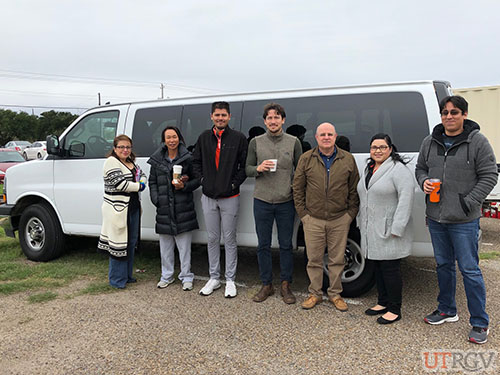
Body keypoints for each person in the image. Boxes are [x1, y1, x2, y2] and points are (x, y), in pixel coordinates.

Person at [416, 95, 498, 344]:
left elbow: (489, 175)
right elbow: (420, 168)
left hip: (464, 220)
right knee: (443, 265)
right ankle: (446, 310)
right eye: (445, 112)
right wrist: (424, 182)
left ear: (464, 115)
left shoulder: (477, 141)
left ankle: (480, 322)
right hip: (436, 217)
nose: (449, 117)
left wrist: (468, 202)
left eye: (454, 112)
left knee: (470, 270)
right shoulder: (430, 141)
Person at [293, 122, 359, 311]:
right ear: (316, 138)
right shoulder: (306, 158)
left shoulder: (347, 159)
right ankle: (315, 294)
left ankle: (335, 294)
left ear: (335, 136)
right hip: (313, 218)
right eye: (322, 134)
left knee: (337, 259)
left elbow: (354, 188)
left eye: (330, 134)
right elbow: (297, 188)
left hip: (339, 218)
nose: (326, 137)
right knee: (313, 259)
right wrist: (303, 215)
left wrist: (350, 214)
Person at [245, 103, 302, 304]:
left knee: (286, 245)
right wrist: (258, 168)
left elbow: (300, 170)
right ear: (264, 121)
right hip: (262, 200)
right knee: (263, 245)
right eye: (269, 118)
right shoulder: (255, 142)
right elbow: (247, 169)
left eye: (277, 117)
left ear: (283, 120)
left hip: (286, 200)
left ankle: (286, 285)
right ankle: (266, 284)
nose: (273, 121)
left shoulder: (294, 142)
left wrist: (294, 190)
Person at [192, 101, 248, 298]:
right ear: (211, 116)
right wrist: (202, 180)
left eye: (223, 115)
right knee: (213, 238)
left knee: (230, 239)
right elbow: (195, 161)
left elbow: (244, 166)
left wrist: (233, 184)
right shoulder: (203, 137)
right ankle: (214, 277)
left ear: (229, 117)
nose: (220, 118)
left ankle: (230, 279)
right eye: (217, 115)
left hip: (230, 196)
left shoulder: (238, 138)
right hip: (208, 196)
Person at [357, 133, 415, 324]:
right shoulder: (370, 168)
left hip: (389, 228)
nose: (378, 151)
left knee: (390, 269)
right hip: (371, 228)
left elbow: (406, 199)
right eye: (374, 147)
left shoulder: (398, 170)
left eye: (382, 147)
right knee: (377, 266)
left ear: (390, 149)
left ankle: (395, 309)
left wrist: (397, 227)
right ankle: (382, 302)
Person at [148, 126, 200, 291]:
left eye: (174, 137)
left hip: (183, 207)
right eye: (168, 137)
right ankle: (167, 276)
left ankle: (186, 276)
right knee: (165, 247)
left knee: (184, 247)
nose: (172, 140)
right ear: (164, 140)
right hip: (164, 208)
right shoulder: (157, 160)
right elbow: (152, 182)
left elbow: (197, 180)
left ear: (180, 138)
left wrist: (184, 186)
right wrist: (156, 199)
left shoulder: (188, 158)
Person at [98, 134, 146, 289]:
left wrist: (141, 182)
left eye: (128, 147)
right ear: (114, 148)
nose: (125, 150)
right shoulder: (111, 162)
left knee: (131, 243)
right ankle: (116, 279)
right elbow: (120, 184)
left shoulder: (131, 163)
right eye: (121, 147)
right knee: (118, 245)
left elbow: (143, 175)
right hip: (117, 210)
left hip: (132, 208)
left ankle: (127, 276)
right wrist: (140, 186)